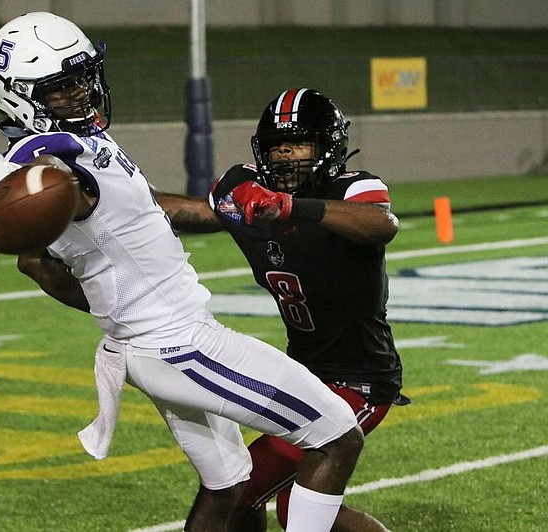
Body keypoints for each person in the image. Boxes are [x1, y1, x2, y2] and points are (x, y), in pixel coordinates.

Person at [0, 13, 365, 532]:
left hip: (151, 347)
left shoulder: (76, 143)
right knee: (335, 434)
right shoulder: (50, 165)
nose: (82, 93)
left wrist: (230, 213)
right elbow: (55, 182)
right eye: (60, 88)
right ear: (17, 95)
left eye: (85, 76)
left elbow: (120, 217)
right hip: (180, 344)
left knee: (232, 486)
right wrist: (22, 161)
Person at [155, 87, 409, 531]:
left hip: (361, 379)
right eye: (275, 146)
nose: (285, 154)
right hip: (304, 375)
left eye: (298, 143)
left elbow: (380, 224)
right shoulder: (248, 191)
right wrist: (105, 199)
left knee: (268, 499)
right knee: (245, 496)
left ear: (328, 146)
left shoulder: (352, 188)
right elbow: (196, 212)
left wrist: (291, 207)